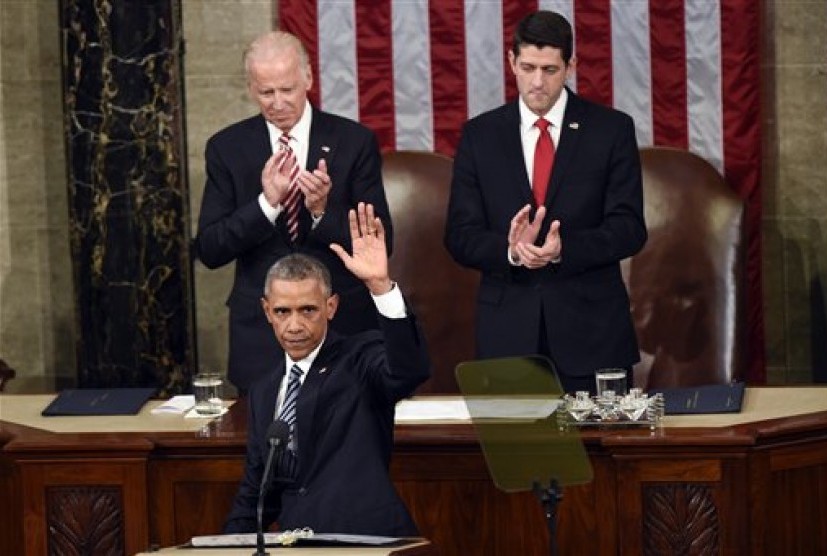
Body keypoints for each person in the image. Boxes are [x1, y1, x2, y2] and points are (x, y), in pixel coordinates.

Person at [444, 10, 647, 395]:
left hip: (592, 336)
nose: (538, 82)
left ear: (571, 65)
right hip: (507, 339)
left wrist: (561, 249)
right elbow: (459, 235)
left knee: (598, 456)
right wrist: (512, 251)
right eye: (528, 67)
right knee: (516, 456)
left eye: (550, 69)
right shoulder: (479, 136)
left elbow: (629, 229)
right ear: (511, 62)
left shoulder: (611, 130)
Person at [194, 31, 393, 392]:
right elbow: (210, 249)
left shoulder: (354, 142)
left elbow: (382, 242)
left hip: (343, 328)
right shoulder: (227, 148)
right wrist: (265, 205)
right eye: (266, 92)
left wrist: (322, 211)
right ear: (251, 88)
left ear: (308, 79)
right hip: (261, 335)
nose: (278, 102)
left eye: (287, 89)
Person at [223, 203, 430, 536]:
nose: (294, 325)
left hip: (367, 539)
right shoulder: (264, 390)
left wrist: (380, 285)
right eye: (282, 311)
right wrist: (225, 544)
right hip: (300, 542)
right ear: (267, 312)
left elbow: (408, 371)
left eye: (307, 310)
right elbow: (257, 492)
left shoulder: (359, 359)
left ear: (330, 307)